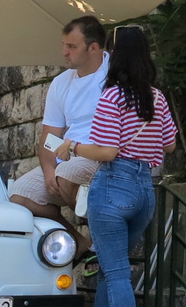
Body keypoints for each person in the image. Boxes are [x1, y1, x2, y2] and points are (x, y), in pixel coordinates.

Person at [55, 25, 178, 307]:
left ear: (116, 56)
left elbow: (107, 152)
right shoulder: (157, 97)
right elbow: (168, 145)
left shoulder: (112, 96)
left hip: (113, 188)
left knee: (117, 275)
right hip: (144, 190)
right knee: (113, 272)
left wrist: (73, 146)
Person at [9, 15, 110, 233]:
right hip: (66, 157)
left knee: (66, 174)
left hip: (102, 155)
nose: (64, 52)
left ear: (93, 48)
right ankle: (78, 242)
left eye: (72, 46)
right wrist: (47, 169)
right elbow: (49, 136)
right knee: (20, 195)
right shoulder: (61, 82)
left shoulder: (115, 75)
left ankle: (102, 238)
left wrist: (60, 170)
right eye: (64, 45)